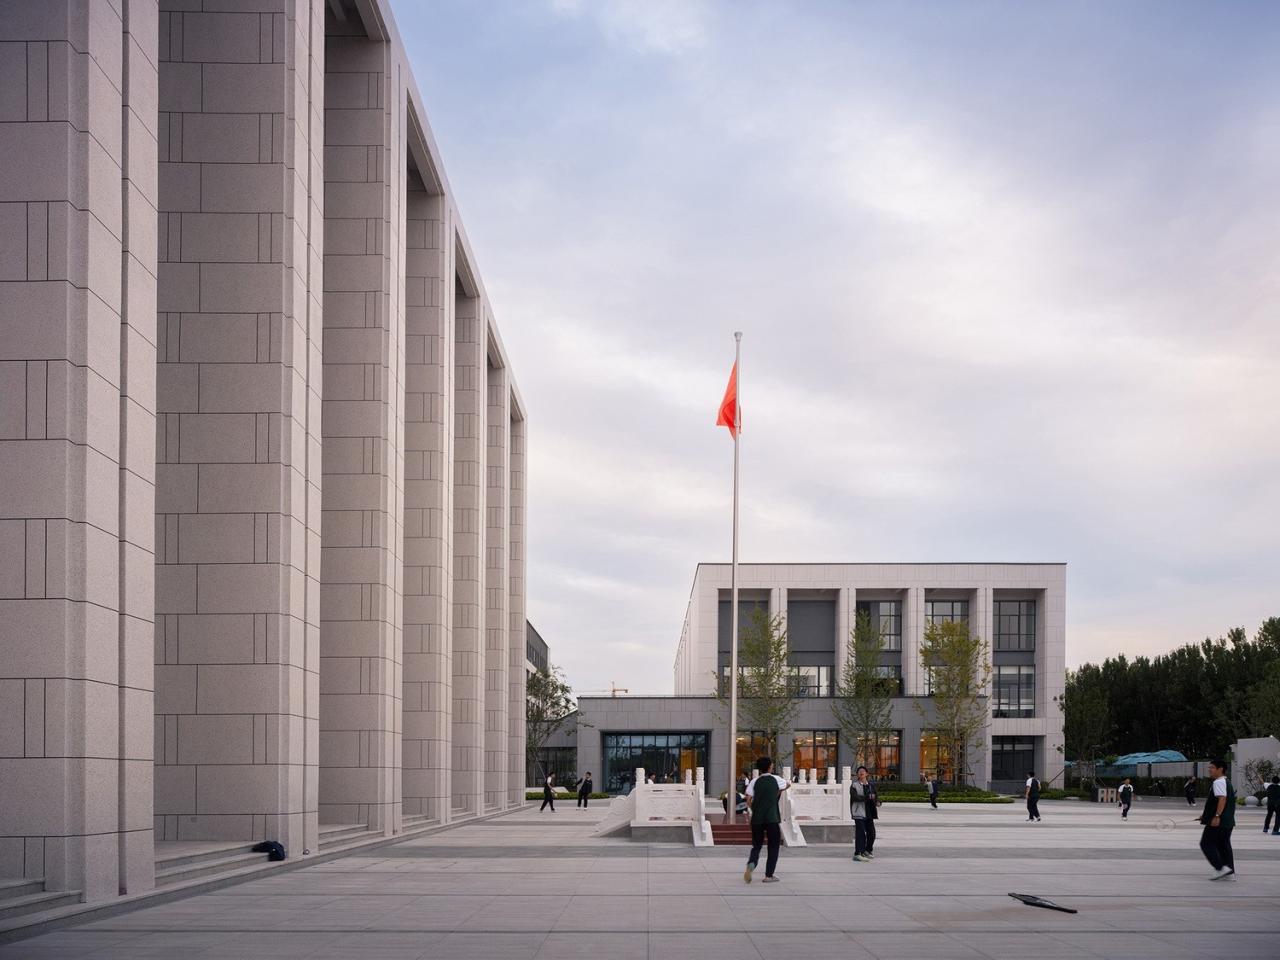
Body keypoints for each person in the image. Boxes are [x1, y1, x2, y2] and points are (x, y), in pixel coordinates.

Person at [743, 756, 788, 884]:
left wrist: (754, 808)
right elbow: (788, 784)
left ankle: (751, 863)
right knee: (773, 846)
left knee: (757, 845)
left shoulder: (754, 781)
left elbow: (748, 799)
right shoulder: (776, 779)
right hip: (772, 818)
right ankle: (769, 875)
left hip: (757, 819)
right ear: (770, 767)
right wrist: (776, 793)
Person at [1198, 758, 1235, 881]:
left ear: (1221, 769)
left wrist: (1216, 816)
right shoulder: (1226, 782)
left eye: (1212, 767)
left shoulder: (1218, 782)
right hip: (1227, 821)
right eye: (1209, 767)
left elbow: (1222, 799)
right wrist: (1206, 816)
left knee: (1206, 843)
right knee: (1223, 846)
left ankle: (1220, 868)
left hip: (1218, 821)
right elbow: (1219, 802)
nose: (1209, 769)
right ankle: (1230, 873)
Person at [850, 765, 880, 861]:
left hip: (869, 812)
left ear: (867, 774)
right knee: (861, 833)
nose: (861, 772)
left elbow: (875, 796)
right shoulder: (854, 785)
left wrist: (878, 802)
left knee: (872, 833)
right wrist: (867, 797)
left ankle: (867, 851)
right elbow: (855, 798)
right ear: (857, 774)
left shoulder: (871, 785)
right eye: (859, 771)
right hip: (859, 812)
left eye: (863, 771)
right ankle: (858, 853)